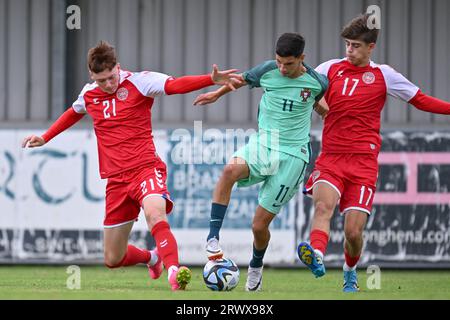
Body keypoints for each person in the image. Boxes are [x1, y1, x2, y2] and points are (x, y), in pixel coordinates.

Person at [21, 41, 242, 291]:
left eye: (111, 77)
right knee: (113, 258)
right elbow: (73, 112)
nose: (108, 84)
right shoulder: (89, 94)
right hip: (116, 181)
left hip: (146, 168)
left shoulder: (140, 82)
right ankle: (153, 258)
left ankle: (174, 271)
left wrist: (209, 80)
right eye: (101, 80)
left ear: (118, 67)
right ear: (92, 76)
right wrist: (46, 137)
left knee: (155, 213)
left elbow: (174, 85)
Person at [298, 13, 450, 292]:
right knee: (322, 207)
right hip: (331, 158)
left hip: (363, 164)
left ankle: (350, 270)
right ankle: (316, 255)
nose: (349, 51)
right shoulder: (329, 68)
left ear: (371, 47)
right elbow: (302, 91)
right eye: (347, 44)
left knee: (353, 232)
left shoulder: (384, 75)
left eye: (356, 46)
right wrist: (316, 100)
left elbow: (421, 100)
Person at [193, 33, 328, 291]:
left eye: (288, 63)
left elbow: (321, 100)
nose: (282, 68)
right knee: (229, 170)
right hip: (264, 144)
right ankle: (212, 239)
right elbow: (241, 80)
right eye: (279, 61)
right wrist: (216, 95)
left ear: (302, 59)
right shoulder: (267, 70)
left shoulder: (317, 82)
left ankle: (256, 267)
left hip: (292, 156)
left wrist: (321, 107)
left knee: (258, 226)